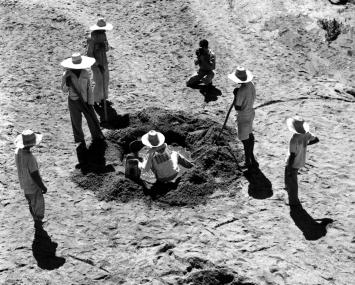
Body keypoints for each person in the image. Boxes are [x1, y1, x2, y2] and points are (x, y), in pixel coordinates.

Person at [61, 52, 104, 146]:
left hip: (85, 100)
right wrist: (67, 84)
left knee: (92, 119)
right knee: (76, 121)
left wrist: (90, 103)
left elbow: (89, 88)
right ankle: (80, 140)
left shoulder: (85, 73)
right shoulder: (67, 75)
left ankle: (97, 137)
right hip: (73, 101)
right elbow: (63, 90)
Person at [14, 130, 47, 234]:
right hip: (33, 186)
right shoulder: (30, 157)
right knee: (38, 205)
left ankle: (35, 221)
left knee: (30, 203)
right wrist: (42, 186)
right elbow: (35, 175)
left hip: (24, 184)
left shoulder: (17, 151)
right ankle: (38, 225)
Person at [285, 116, 319, 206]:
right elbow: (316, 139)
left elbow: (292, 156)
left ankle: (293, 201)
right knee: (293, 180)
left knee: (292, 182)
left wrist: (288, 169)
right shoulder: (307, 134)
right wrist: (306, 144)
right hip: (301, 160)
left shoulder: (294, 140)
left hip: (293, 163)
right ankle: (292, 196)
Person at [228, 66, 258, 169]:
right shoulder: (251, 84)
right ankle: (251, 156)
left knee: (245, 140)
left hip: (243, 115)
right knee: (249, 135)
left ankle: (247, 161)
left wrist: (235, 95)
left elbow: (238, 107)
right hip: (250, 112)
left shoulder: (241, 91)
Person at [87, 18, 113, 108]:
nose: (104, 30)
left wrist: (104, 46)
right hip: (96, 63)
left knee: (105, 80)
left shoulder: (104, 35)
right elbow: (89, 53)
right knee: (99, 81)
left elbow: (107, 49)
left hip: (104, 61)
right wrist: (98, 65)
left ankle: (103, 99)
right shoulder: (92, 37)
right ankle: (94, 101)